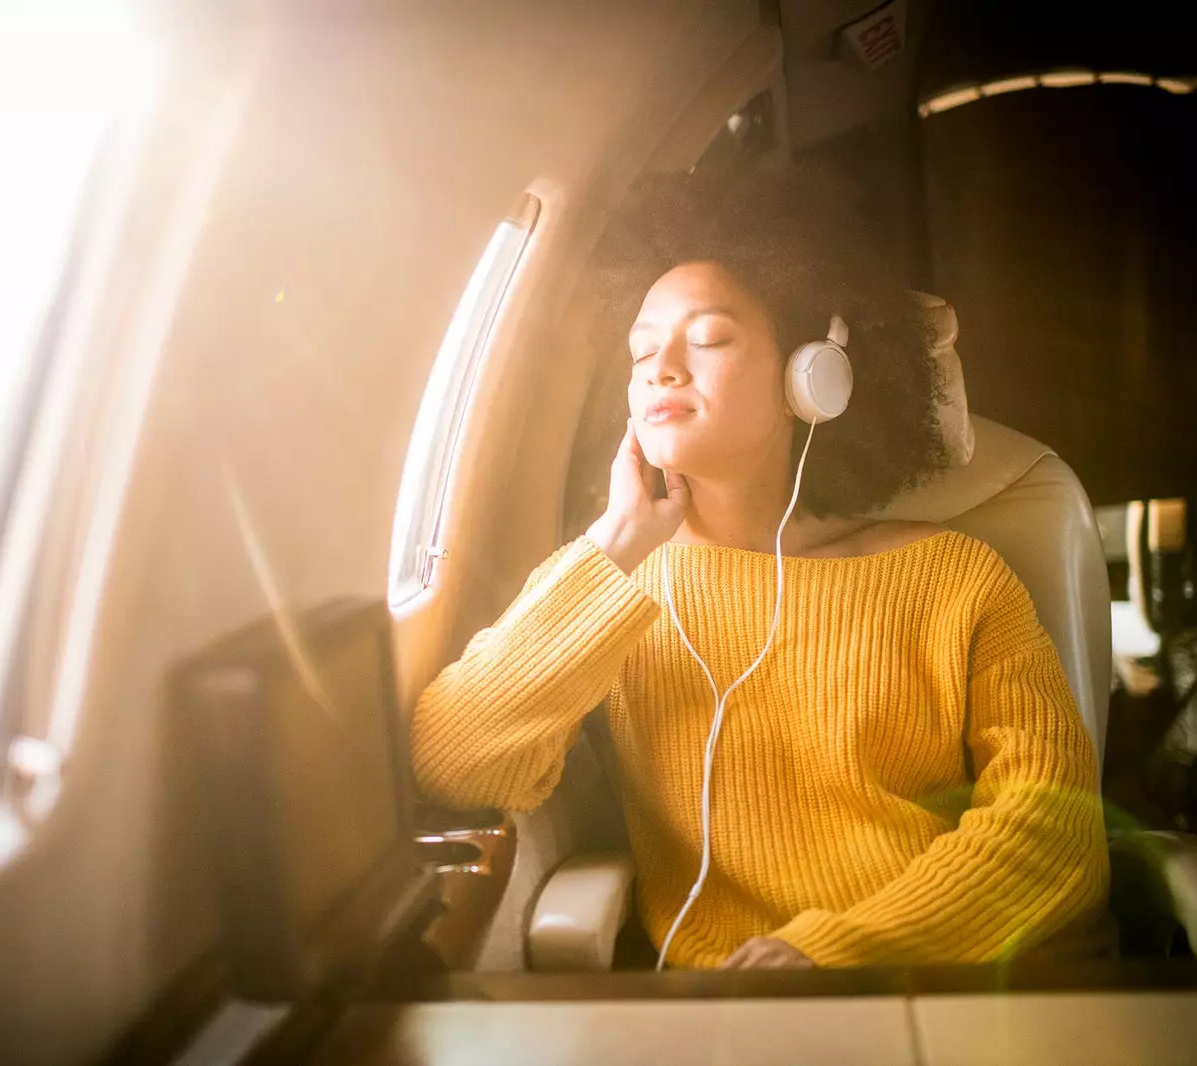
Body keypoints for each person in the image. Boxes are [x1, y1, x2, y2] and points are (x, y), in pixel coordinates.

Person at [410, 170, 1109, 970]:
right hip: (730, 1021)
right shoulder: (616, 585)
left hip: (953, 994)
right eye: (641, 350)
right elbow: (453, 760)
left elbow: (1056, 834)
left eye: (707, 340)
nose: (660, 367)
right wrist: (617, 542)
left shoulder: (960, 580)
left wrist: (833, 955)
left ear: (809, 380)